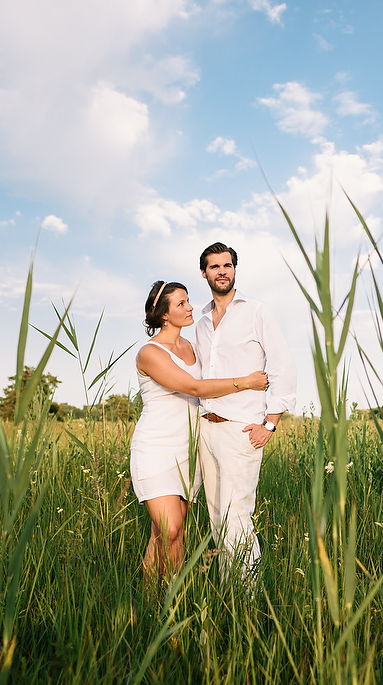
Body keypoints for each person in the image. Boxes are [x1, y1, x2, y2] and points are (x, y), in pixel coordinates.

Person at [131, 280, 268, 582]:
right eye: (181, 304)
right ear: (164, 315)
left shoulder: (191, 346)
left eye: (188, 300)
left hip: (189, 448)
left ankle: (161, 601)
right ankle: (163, 601)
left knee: (167, 533)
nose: (190, 307)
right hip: (156, 448)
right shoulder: (149, 353)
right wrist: (246, 381)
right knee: (169, 529)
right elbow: (193, 386)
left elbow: (212, 377)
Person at [195, 242, 297, 578]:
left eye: (227, 265)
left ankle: (247, 601)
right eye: (214, 266)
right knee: (215, 516)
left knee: (236, 515)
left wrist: (270, 424)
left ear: (234, 270)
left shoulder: (256, 311)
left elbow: (282, 366)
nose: (221, 271)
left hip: (241, 429)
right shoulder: (201, 323)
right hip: (205, 427)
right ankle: (228, 593)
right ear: (204, 273)